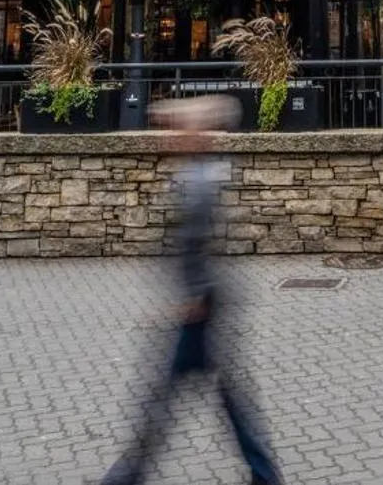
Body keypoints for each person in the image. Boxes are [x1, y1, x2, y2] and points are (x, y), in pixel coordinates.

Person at [101, 94, 282, 485]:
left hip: (201, 308)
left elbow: (196, 243)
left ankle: (125, 477)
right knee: (222, 396)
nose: (169, 136)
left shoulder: (198, 182)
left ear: (195, 135)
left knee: (164, 397)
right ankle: (264, 473)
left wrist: (193, 298)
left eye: (177, 129)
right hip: (206, 303)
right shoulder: (202, 174)